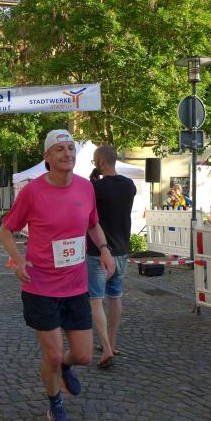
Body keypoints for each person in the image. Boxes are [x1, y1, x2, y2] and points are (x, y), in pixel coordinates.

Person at [0, 129, 114, 421]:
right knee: (51, 353)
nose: (67, 153)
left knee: (83, 355)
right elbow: (6, 230)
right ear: (47, 157)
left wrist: (104, 249)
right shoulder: (32, 192)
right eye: (60, 149)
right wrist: (18, 260)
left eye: (71, 148)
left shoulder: (86, 188)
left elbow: (93, 224)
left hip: (75, 286)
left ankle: (65, 367)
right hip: (40, 286)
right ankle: (55, 404)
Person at [86, 145, 136, 370]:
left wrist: (93, 182)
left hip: (98, 251)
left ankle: (105, 347)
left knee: (96, 299)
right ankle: (113, 343)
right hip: (122, 249)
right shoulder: (129, 185)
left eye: (95, 160)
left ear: (101, 162)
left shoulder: (95, 188)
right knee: (115, 297)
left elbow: (90, 217)